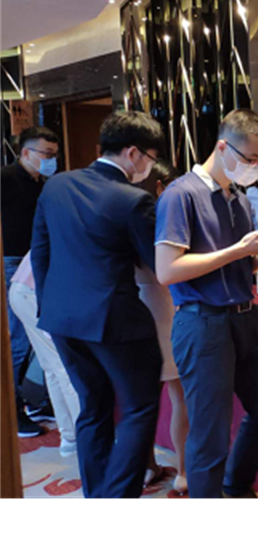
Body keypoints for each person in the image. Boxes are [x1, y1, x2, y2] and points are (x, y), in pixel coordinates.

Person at [155, 108, 258, 498]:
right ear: (222, 147)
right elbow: (167, 270)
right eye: (251, 159)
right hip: (202, 322)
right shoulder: (181, 194)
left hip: (247, 317)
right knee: (210, 433)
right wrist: (237, 251)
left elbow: (237, 264)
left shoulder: (239, 199)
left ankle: (235, 485)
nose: (256, 168)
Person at [30, 111, 165, 498]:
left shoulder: (57, 185)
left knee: (92, 407)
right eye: (151, 158)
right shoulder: (134, 200)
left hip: (61, 318)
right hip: (116, 320)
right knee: (139, 408)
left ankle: (97, 496)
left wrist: (49, 307)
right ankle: (116, 499)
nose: (149, 166)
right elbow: (159, 267)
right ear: (134, 153)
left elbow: (40, 253)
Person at [1, 126, 60, 437]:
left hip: (38, 263)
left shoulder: (45, 185)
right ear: (25, 152)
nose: (51, 160)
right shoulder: (6, 179)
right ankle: (12, 412)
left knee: (41, 338)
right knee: (18, 340)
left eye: (54, 155)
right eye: (46, 154)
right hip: (12, 263)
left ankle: (34, 399)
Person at [135, 160, 189, 494]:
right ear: (160, 188)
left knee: (141, 398)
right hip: (165, 306)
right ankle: (183, 471)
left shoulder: (126, 213)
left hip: (135, 306)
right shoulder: (161, 220)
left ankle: (147, 466)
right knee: (179, 393)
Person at [9, 252, 80, 457]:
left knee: (52, 366)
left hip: (24, 290)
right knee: (65, 366)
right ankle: (84, 437)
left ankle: (70, 437)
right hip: (34, 293)